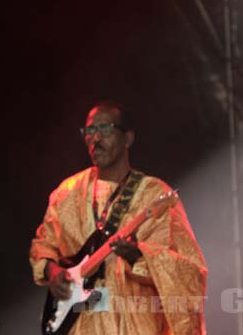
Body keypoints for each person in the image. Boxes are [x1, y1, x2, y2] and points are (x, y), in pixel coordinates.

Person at [29, 101, 207, 334]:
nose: (95, 138)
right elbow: (43, 246)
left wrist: (139, 256)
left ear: (127, 139)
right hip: (77, 326)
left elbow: (190, 272)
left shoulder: (154, 195)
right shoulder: (67, 193)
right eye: (89, 131)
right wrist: (52, 271)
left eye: (105, 129)